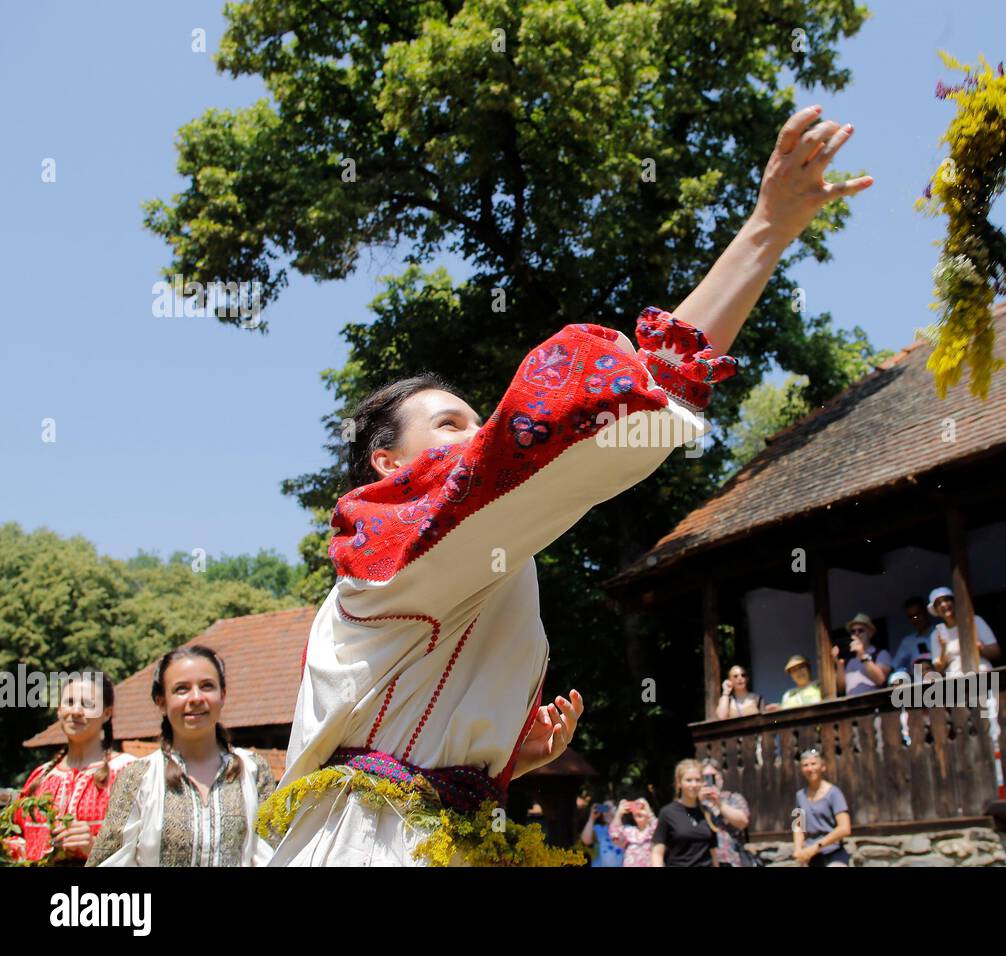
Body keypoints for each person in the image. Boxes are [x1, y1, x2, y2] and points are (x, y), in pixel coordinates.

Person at [261, 105, 873, 867]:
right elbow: (599, 422)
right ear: (388, 467)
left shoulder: (467, 562)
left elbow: (396, 735)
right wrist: (763, 232)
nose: (477, 438)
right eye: (452, 423)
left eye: (480, 423)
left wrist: (506, 757)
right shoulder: (394, 540)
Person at [88, 646, 275, 867]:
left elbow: (273, 856)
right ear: (160, 701)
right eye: (181, 689)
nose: (196, 698)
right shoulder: (139, 777)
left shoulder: (253, 771)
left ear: (223, 695)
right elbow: (109, 863)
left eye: (207, 686)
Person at [3, 675, 134, 865]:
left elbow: (148, 847)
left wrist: (94, 847)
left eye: (88, 704)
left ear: (107, 713)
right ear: (59, 711)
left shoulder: (129, 772)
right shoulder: (41, 777)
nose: (76, 711)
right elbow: (16, 837)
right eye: (70, 702)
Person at [651, 760, 718, 867]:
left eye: (698, 780)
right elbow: (657, 852)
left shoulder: (707, 813)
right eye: (689, 780)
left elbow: (713, 852)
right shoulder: (667, 813)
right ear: (679, 783)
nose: (694, 784)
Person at [792, 749, 851, 867]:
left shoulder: (834, 793)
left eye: (813, 764)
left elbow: (845, 828)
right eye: (805, 765)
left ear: (822, 767)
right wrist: (798, 849)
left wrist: (817, 846)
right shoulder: (800, 796)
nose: (810, 768)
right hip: (810, 855)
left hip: (833, 852)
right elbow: (798, 826)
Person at [929, 587, 1001, 675]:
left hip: (982, 675)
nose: (944, 604)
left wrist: (979, 647)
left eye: (947, 600)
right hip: (956, 682)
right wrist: (943, 648)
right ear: (936, 611)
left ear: (955, 602)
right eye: (938, 603)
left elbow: (996, 653)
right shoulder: (936, 634)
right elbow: (938, 668)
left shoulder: (975, 620)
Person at [699, 758, 752, 866]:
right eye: (705, 777)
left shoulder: (733, 798)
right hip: (703, 861)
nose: (709, 781)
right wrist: (697, 801)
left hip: (732, 860)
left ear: (720, 777)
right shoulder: (695, 803)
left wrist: (720, 804)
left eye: (712, 776)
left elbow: (743, 822)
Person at [833, 613, 891, 695]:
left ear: (870, 633)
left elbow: (880, 680)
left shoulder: (881, 653)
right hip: (852, 706)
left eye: (860, 630)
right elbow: (841, 689)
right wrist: (839, 663)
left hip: (874, 705)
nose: (856, 634)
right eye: (853, 631)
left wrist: (862, 654)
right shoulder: (849, 660)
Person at [893, 595, 938, 679]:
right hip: (920, 686)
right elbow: (896, 667)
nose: (916, 619)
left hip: (944, 681)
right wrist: (906, 672)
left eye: (918, 614)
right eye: (911, 617)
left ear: (925, 612)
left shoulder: (939, 631)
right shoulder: (908, 641)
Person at [607, 797, 657, 867]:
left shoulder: (653, 830)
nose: (638, 811)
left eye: (642, 808)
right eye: (635, 808)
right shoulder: (629, 831)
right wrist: (619, 813)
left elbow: (660, 830)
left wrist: (649, 812)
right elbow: (615, 836)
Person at [580, 799, 624, 867]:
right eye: (604, 809)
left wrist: (617, 815)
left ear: (617, 809)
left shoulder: (627, 829)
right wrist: (592, 818)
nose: (606, 812)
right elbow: (585, 841)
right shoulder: (599, 829)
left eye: (608, 808)